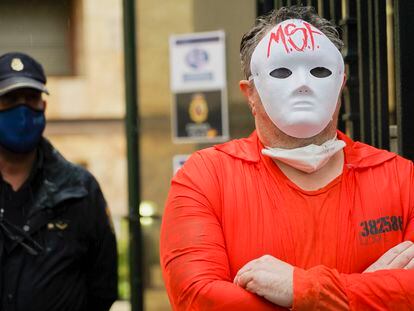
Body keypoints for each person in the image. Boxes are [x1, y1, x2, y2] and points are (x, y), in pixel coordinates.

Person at [160, 6, 414, 310]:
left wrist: (301, 289)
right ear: (249, 93)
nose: (303, 84)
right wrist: (367, 294)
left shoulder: (400, 178)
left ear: (341, 84)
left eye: (319, 71)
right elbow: (197, 298)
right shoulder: (205, 178)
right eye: (282, 72)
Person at [0, 52, 118, 311]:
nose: (23, 110)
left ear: (44, 106)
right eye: (9, 99)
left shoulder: (80, 189)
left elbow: (103, 286)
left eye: (31, 99)